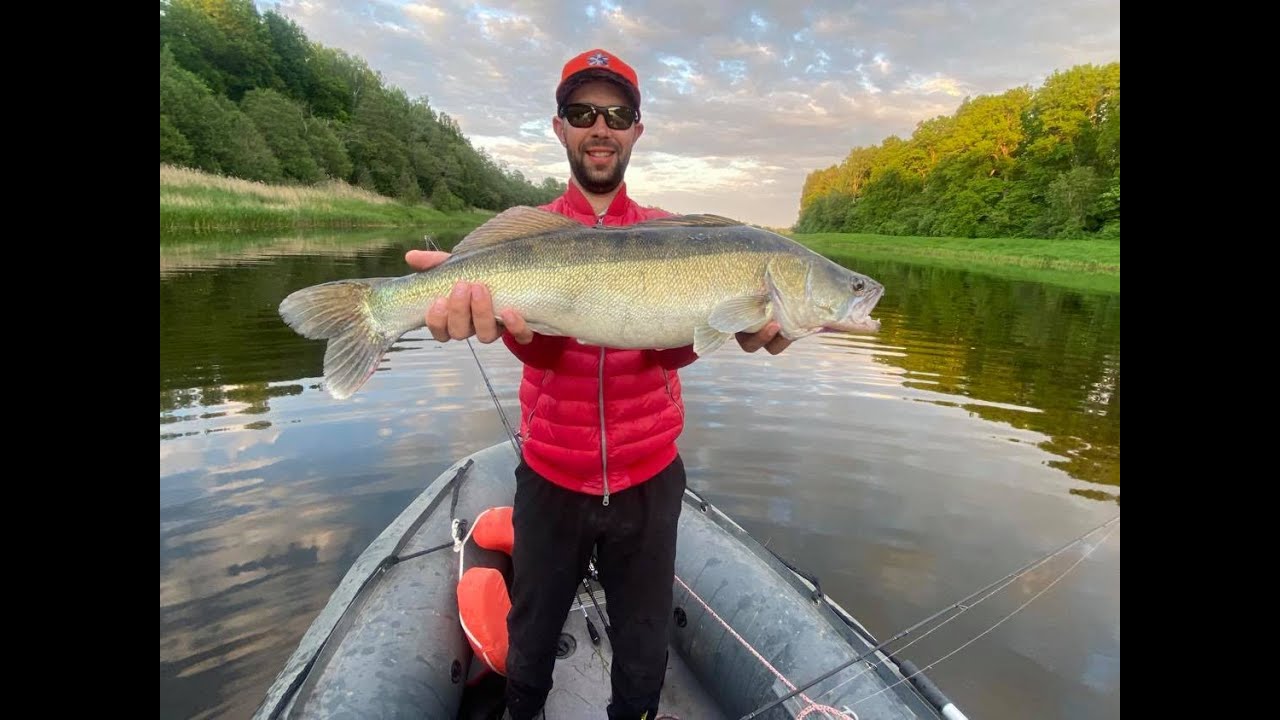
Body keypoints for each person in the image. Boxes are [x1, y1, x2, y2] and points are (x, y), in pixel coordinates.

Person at [405, 48, 792, 720]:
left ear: (637, 129)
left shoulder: (674, 237)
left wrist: (728, 326)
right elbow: (548, 358)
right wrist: (496, 317)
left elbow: (666, 360)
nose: (601, 126)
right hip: (551, 479)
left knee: (644, 656)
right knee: (529, 647)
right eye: (583, 112)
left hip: (649, 482)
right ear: (560, 127)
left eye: (618, 113)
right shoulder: (533, 235)